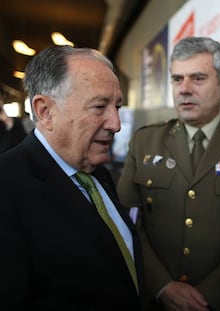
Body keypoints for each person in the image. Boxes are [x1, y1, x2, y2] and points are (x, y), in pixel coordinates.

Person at [117, 36, 220, 311]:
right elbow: (124, 221)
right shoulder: (145, 142)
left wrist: (213, 295)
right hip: (156, 300)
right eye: (177, 79)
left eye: (198, 78)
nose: (184, 90)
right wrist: (162, 286)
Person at [0, 45, 143, 310]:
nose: (116, 123)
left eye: (117, 106)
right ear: (45, 111)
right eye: (99, 106)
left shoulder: (96, 169)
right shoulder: (7, 187)